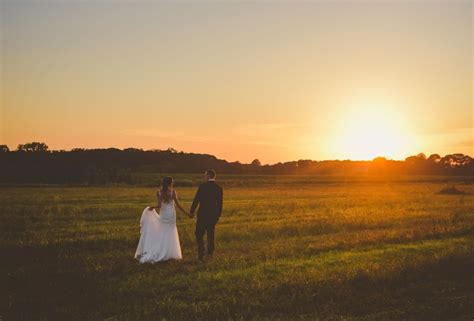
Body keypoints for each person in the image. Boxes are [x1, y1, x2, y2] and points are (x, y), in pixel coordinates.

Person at [134, 176, 193, 263]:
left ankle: (161, 250)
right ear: (169, 183)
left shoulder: (159, 192)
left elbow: (159, 206)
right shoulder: (173, 192)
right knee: (171, 232)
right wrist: (187, 214)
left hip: (164, 214)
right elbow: (178, 205)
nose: (173, 183)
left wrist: (152, 207)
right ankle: (169, 252)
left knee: (163, 231)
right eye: (172, 181)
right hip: (172, 214)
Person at [190, 169, 223, 261]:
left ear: (208, 175)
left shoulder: (202, 186)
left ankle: (201, 252)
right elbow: (220, 203)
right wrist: (218, 215)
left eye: (205, 175)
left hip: (203, 214)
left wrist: (192, 211)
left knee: (199, 234)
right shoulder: (219, 188)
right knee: (210, 234)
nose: (204, 177)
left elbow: (196, 200)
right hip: (213, 215)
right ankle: (210, 252)